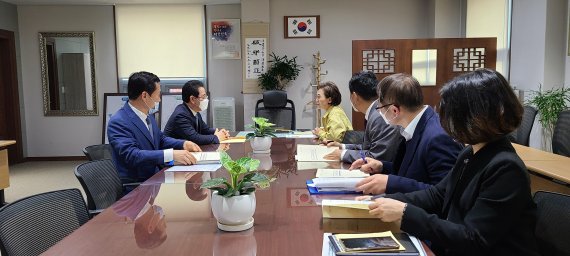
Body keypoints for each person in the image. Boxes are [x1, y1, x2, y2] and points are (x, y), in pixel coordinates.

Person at [363, 69, 539, 256]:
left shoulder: (505, 168)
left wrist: (405, 213)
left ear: (477, 117)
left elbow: (474, 239)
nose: (444, 122)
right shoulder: (469, 152)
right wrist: (380, 201)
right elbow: (438, 195)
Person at [350, 73, 462, 194]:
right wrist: (382, 166)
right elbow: (411, 171)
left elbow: (444, 194)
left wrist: (391, 183)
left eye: (380, 108)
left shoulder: (438, 137)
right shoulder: (414, 125)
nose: (380, 113)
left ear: (394, 111)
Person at [107, 71, 201, 184]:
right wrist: (171, 154)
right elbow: (133, 155)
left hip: (155, 178)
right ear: (145, 96)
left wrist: (183, 144)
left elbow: (160, 139)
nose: (159, 100)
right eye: (157, 94)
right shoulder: (119, 121)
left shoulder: (148, 116)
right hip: (136, 185)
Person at [324, 71, 401, 163]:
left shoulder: (380, 116)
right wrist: (343, 147)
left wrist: (343, 154)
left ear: (354, 96)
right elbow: (369, 147)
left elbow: (376, 157)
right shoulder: (374, 110)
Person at [164, 80, 230, 145]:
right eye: (203, 97)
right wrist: (217, 137)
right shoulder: (181, 115)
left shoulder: (194, 111)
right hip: (175, 152)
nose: (206, 100)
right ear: (192, 99)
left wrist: (218, 131)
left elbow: (205, 130)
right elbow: (195, 138)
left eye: (206, 96)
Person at [112, 184, 167, 249]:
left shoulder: (121, 207)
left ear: (151, 227)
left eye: (163, 225)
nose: (164, 218)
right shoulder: (153, 196)